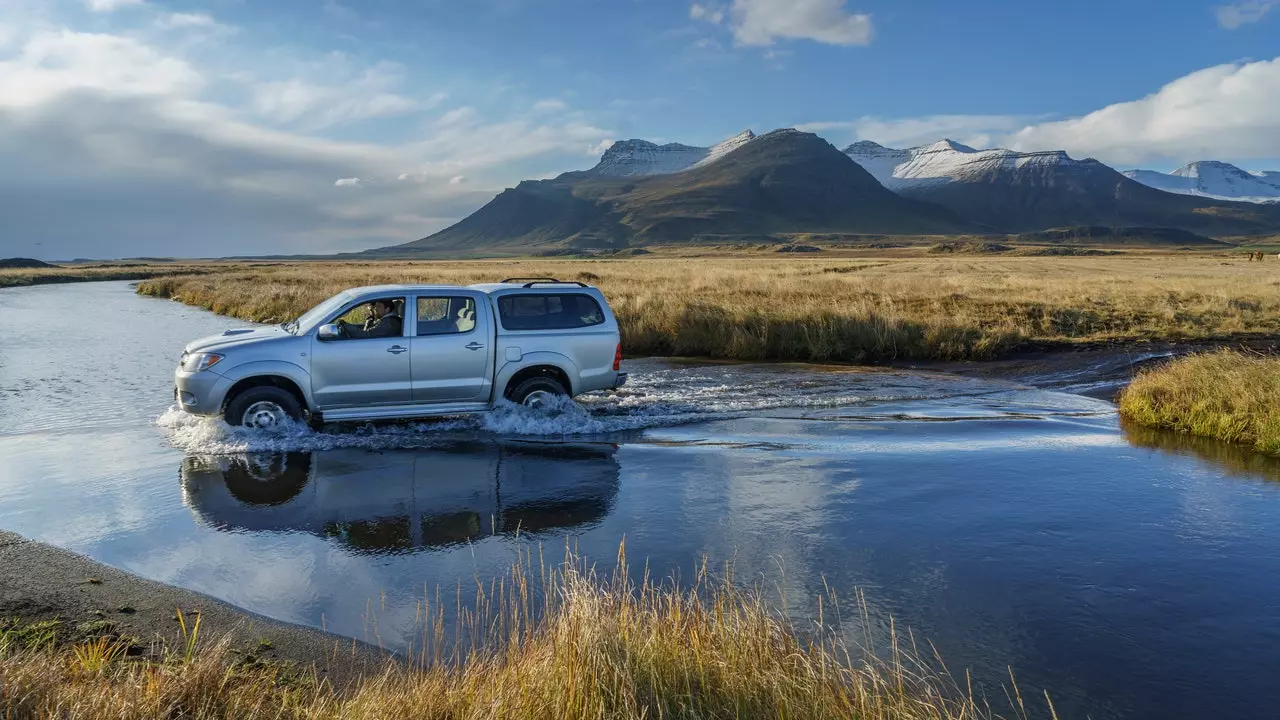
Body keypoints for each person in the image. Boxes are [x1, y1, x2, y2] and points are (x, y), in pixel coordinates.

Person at [338, 299, 402, 339]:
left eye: (378, 306)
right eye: (375, 306)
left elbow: (366, 335)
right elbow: (369, 330)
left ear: (387, 309)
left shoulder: (389, 323)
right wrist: (368, 323)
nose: (375, 309)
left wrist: (345, 326)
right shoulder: (387, 320)